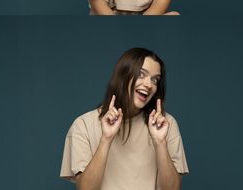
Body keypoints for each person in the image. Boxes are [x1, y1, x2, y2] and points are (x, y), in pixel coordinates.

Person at [60, 48, 188, 190]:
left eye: (155, 80)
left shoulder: (165, 125)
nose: (149, 85)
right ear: (122, 75)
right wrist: (106, 139)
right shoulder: (83, 125)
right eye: (141, 74)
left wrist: (160, 143)